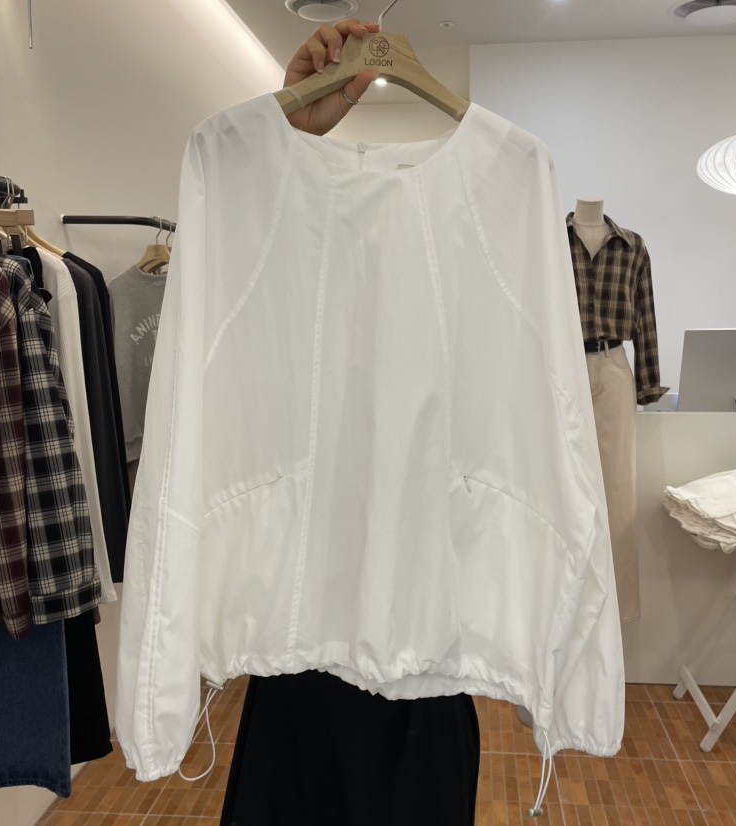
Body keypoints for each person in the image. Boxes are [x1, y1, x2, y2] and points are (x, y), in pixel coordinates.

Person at [219, 20, 481, 826]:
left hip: (423, 654)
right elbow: (245, 265)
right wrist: (289, 133)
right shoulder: (281, 258)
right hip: (303, 648)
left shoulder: (480, 233)